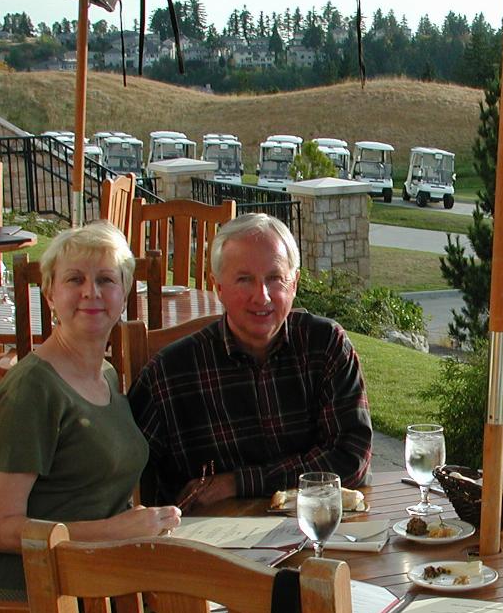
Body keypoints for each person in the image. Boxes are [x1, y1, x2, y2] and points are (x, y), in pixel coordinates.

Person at [0, 221, 180, 613]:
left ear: (124, 292)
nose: (91, 292)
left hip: (92, 587)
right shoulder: (33, 389)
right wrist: (111, 532)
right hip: (27, 612)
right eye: (74, 279)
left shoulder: (103, 373)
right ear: (49, 294)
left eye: (106, 279)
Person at [129, 212, 373, 508]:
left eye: (274, 279)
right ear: (217, 286)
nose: (262, 297)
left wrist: (237, 483)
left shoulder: (325, 346)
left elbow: (351, 458)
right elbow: (125, 476)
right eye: (244, 280)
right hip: (210, 543)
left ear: (294, 284)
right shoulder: (169, 374)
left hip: (320, 534)